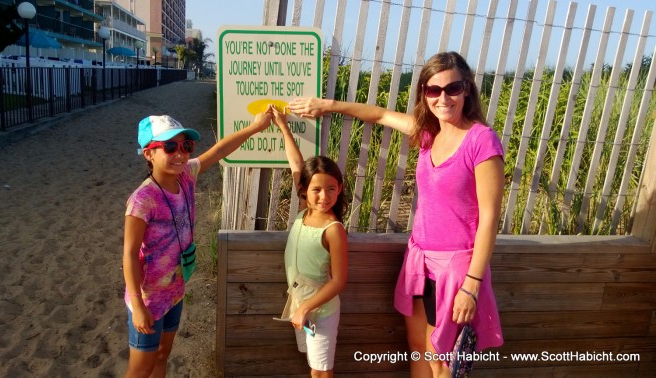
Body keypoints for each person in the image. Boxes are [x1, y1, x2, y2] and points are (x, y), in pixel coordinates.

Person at [288, 51, 504, 377]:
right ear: (424, 93)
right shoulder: (429, 133)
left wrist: (471, 285)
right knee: (417, 345)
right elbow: (378, 115)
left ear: (467, 89)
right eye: (433, 90)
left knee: (441, 360)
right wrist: (326, 105)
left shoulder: (481, 140)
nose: (443, 97)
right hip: (420, 259)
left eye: (452, 88)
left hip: (455, 269)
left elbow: (489, 218)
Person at [123, 112, 272, 377]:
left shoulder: (186, 176)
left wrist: (255, 127)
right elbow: (130, 255)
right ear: (148, 154)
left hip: (175, 290)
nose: (180, 154)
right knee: (140, 369)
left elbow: (220, 149)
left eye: (185, 146)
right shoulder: (142, 200)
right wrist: (138, 306)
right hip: (148, 298)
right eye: (169, 147)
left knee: (162, 355)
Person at [272, 105, 348, 377]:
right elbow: (296, 163)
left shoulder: (333, 229)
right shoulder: (304, 210)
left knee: (321, 372)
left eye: (331, 189)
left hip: (321, 311)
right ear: (304, 191)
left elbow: (339, 281)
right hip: (299, 305)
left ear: (339, 189)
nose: (324, 196)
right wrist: (283, 126)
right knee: (311, 364)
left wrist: (306, 307)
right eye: (316, 189)